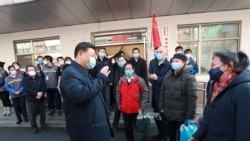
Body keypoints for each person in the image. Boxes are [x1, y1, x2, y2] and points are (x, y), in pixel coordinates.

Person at [190, 50, 250, 141]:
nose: (211, 69)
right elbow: (209, 115)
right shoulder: (217, 85)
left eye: (214, 65)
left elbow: (245, 130)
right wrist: (196, 137)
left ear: (229, 66)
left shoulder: (245, 89)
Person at [60, 42, 113, 141]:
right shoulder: (69, 73)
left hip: (96, 130)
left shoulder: (84, 72)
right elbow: (81, 95)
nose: (94, 59)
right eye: (92, 55)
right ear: (80, 53)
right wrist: (101, 78)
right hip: (86, 132)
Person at [160, 53, 197, 141]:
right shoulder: (168, 75)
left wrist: (190, 116)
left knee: (182, 137)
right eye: (173, 61)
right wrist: (161, 107)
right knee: (171, 136)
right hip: (169, 114)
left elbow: (192, 99)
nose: (174, 63)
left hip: (182, 115)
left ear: (183, 62)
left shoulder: (189, 77)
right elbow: (162, 92)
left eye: (177, 61)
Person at [116, 63, 148, 141]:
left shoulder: (139, 80)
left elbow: (145, 91)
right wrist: (119, 103)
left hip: (137, 108)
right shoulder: (121, 81)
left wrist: (143, 103)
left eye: (129, 69)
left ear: (133, 69)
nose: (128, 70)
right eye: (126, 69)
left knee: (138, 127)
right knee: (127, 127)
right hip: (125, 109)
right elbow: (118, 92)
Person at [149, 46, 171, 140]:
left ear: (166, 53)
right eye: (157, 51)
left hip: (164, 97)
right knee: (156, 116)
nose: (158, 53)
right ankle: (160, 134)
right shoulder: (153, 63)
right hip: (155, 95)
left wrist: (157, 78)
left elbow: (169, 81)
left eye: (160, 51)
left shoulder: (169, 65)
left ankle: (166, 136)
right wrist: (152, 78)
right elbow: (151, 78)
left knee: (164, 119)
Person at [22, 65, 48, 134]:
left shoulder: (40, 78)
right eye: (30, 70)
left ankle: (43, 124)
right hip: (31, 100)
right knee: (32, 114)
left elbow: (44, 86)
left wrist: (41, 93)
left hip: (41, 99)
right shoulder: (25, 80)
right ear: (27, 72)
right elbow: (27, 89)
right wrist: (36, 94)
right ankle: (34, 127)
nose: (32, 71)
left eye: (33, 70)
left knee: (42, 113)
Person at [93, 47, 113, 114]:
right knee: (99, 96)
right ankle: (101, 110)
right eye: (101, 51)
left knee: (107, 96)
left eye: (103, 51)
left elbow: (111, 71)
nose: (102, 53)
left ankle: (107, 110)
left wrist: (111, 81)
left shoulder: (108, 61)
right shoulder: (95, 61)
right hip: (98, 82)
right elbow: (93, 72)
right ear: (98, 52)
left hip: (106, 82)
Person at [111, 55, 126, 133]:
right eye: (119, 61)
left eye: (122, 60)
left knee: (126, 112)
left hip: (126, 95)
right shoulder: (116, 70)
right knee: (117, 111)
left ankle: (128, 126)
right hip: (118, 94)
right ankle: (114, 126)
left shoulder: (128, 70)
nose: (121, 62)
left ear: (125, 61)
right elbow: (114, 83)